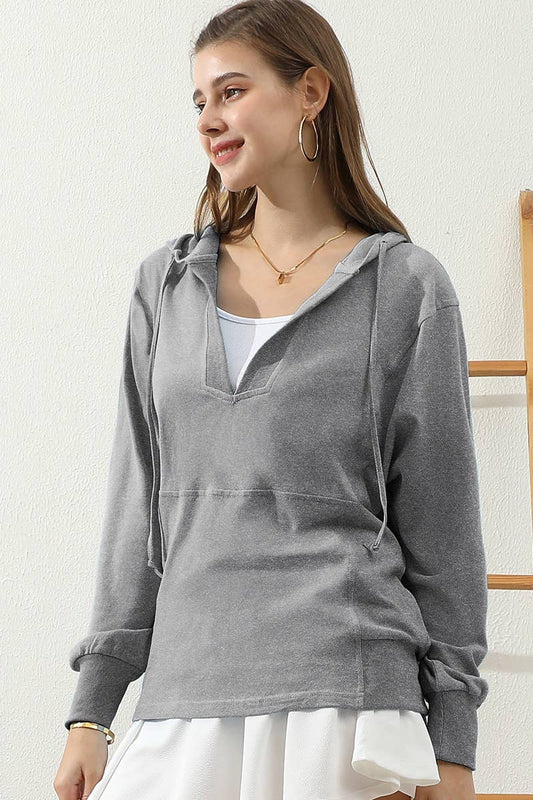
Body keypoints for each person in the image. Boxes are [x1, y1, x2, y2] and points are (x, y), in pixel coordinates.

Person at [53, 1, 489, 798]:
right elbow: (136, 505)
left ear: (310, 92)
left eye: (231, 91)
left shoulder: (406, 286)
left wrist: (452, 746)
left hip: (348, 693)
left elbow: (445, 528)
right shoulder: (165, 286)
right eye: (199, 101)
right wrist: (93, 710)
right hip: (185, 685)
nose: (207, 119)